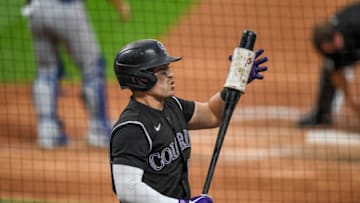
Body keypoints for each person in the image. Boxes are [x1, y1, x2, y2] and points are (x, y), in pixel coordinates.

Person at [109, 39, 268, 203]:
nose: (170, 74)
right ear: (141, 78)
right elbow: (127, 190)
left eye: (168, 68)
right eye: (162, 71)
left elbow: (213, 114)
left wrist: (235, 83)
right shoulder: (133, 128)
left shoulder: (172, 106)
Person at [22, 0, 131, 148]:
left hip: (36, 10)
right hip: (66, 9)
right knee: (93, 67)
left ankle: (48, 133)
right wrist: (120, 5)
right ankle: (99, 131)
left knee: (46, 71)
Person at [297, 2, 360, 128]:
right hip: (353, 46)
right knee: (328, 69)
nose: (334, 51)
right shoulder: (326, 44)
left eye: (335, 47)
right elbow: (337, 73)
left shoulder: (354, 22)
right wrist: (352, 103)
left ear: (337, 35)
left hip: (357, 37)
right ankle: (322, 115)